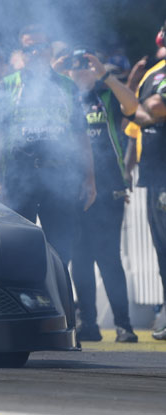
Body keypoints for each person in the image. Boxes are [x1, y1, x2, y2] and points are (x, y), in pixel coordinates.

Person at [0, 25, 96, 267]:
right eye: (29, 48)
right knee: (18, 251)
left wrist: (89, 178)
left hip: (59, 176)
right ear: (21, 52)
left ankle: (58, 292)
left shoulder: (67, 86)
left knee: (61, 252)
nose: (35, 53)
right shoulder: (6, 85)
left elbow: (81, 136)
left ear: (50, 50)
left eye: (41, 47)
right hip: (18, 177)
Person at [68, 52, 139, 343]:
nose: (82, 72)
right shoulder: (65, 98)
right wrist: (57, 68)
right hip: (74, 190)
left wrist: (105, 75)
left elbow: (133, 107)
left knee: (108, 257)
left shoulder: (106, 94)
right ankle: (88, 324)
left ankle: (124, 325)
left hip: (109, 188)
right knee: (80, 259)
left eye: (87, 67)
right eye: (75, 68)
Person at [123, 21, 166, 340]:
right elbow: (134, 128)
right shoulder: (152, 73)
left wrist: (135, 104)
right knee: (161, 249)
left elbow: (153, 108)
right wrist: (126, 169)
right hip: (153, 175)